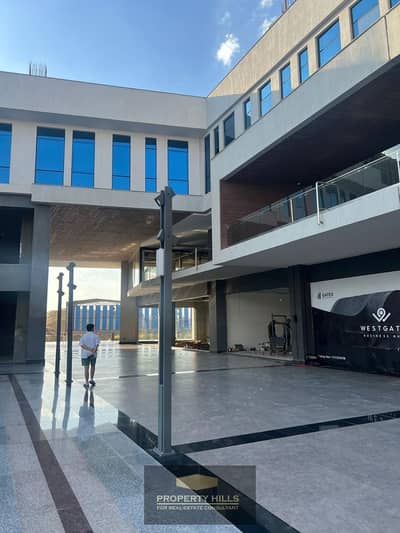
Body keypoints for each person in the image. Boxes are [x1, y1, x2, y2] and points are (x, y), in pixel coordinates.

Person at [79, 323, 100, 389]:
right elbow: (97, 345)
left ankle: (86, 382)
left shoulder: (83, 336)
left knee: (86, 368)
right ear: (92, 328)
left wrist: (89, 349)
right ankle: (91, 379)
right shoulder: (96, 336)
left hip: (85, 354)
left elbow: (82, 345)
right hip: (93, 354)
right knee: (93, 366)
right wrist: (93, 351)